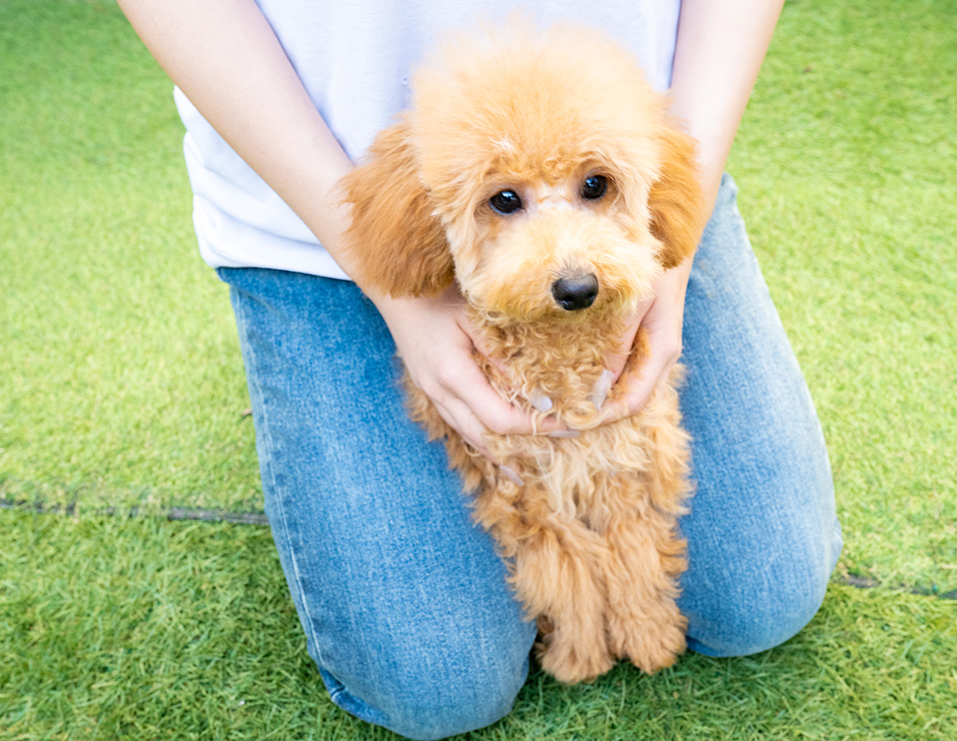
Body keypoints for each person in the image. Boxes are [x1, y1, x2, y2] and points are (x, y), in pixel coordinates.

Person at [118, 1, 842, 738]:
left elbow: (653, 197)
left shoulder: (638, 174)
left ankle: (572, 193)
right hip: (313, 209)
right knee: (439, 682)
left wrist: (669, 259)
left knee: (761, 596)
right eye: (508, 200)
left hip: (648, 161)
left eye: (586, 190)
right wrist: (396, 297)